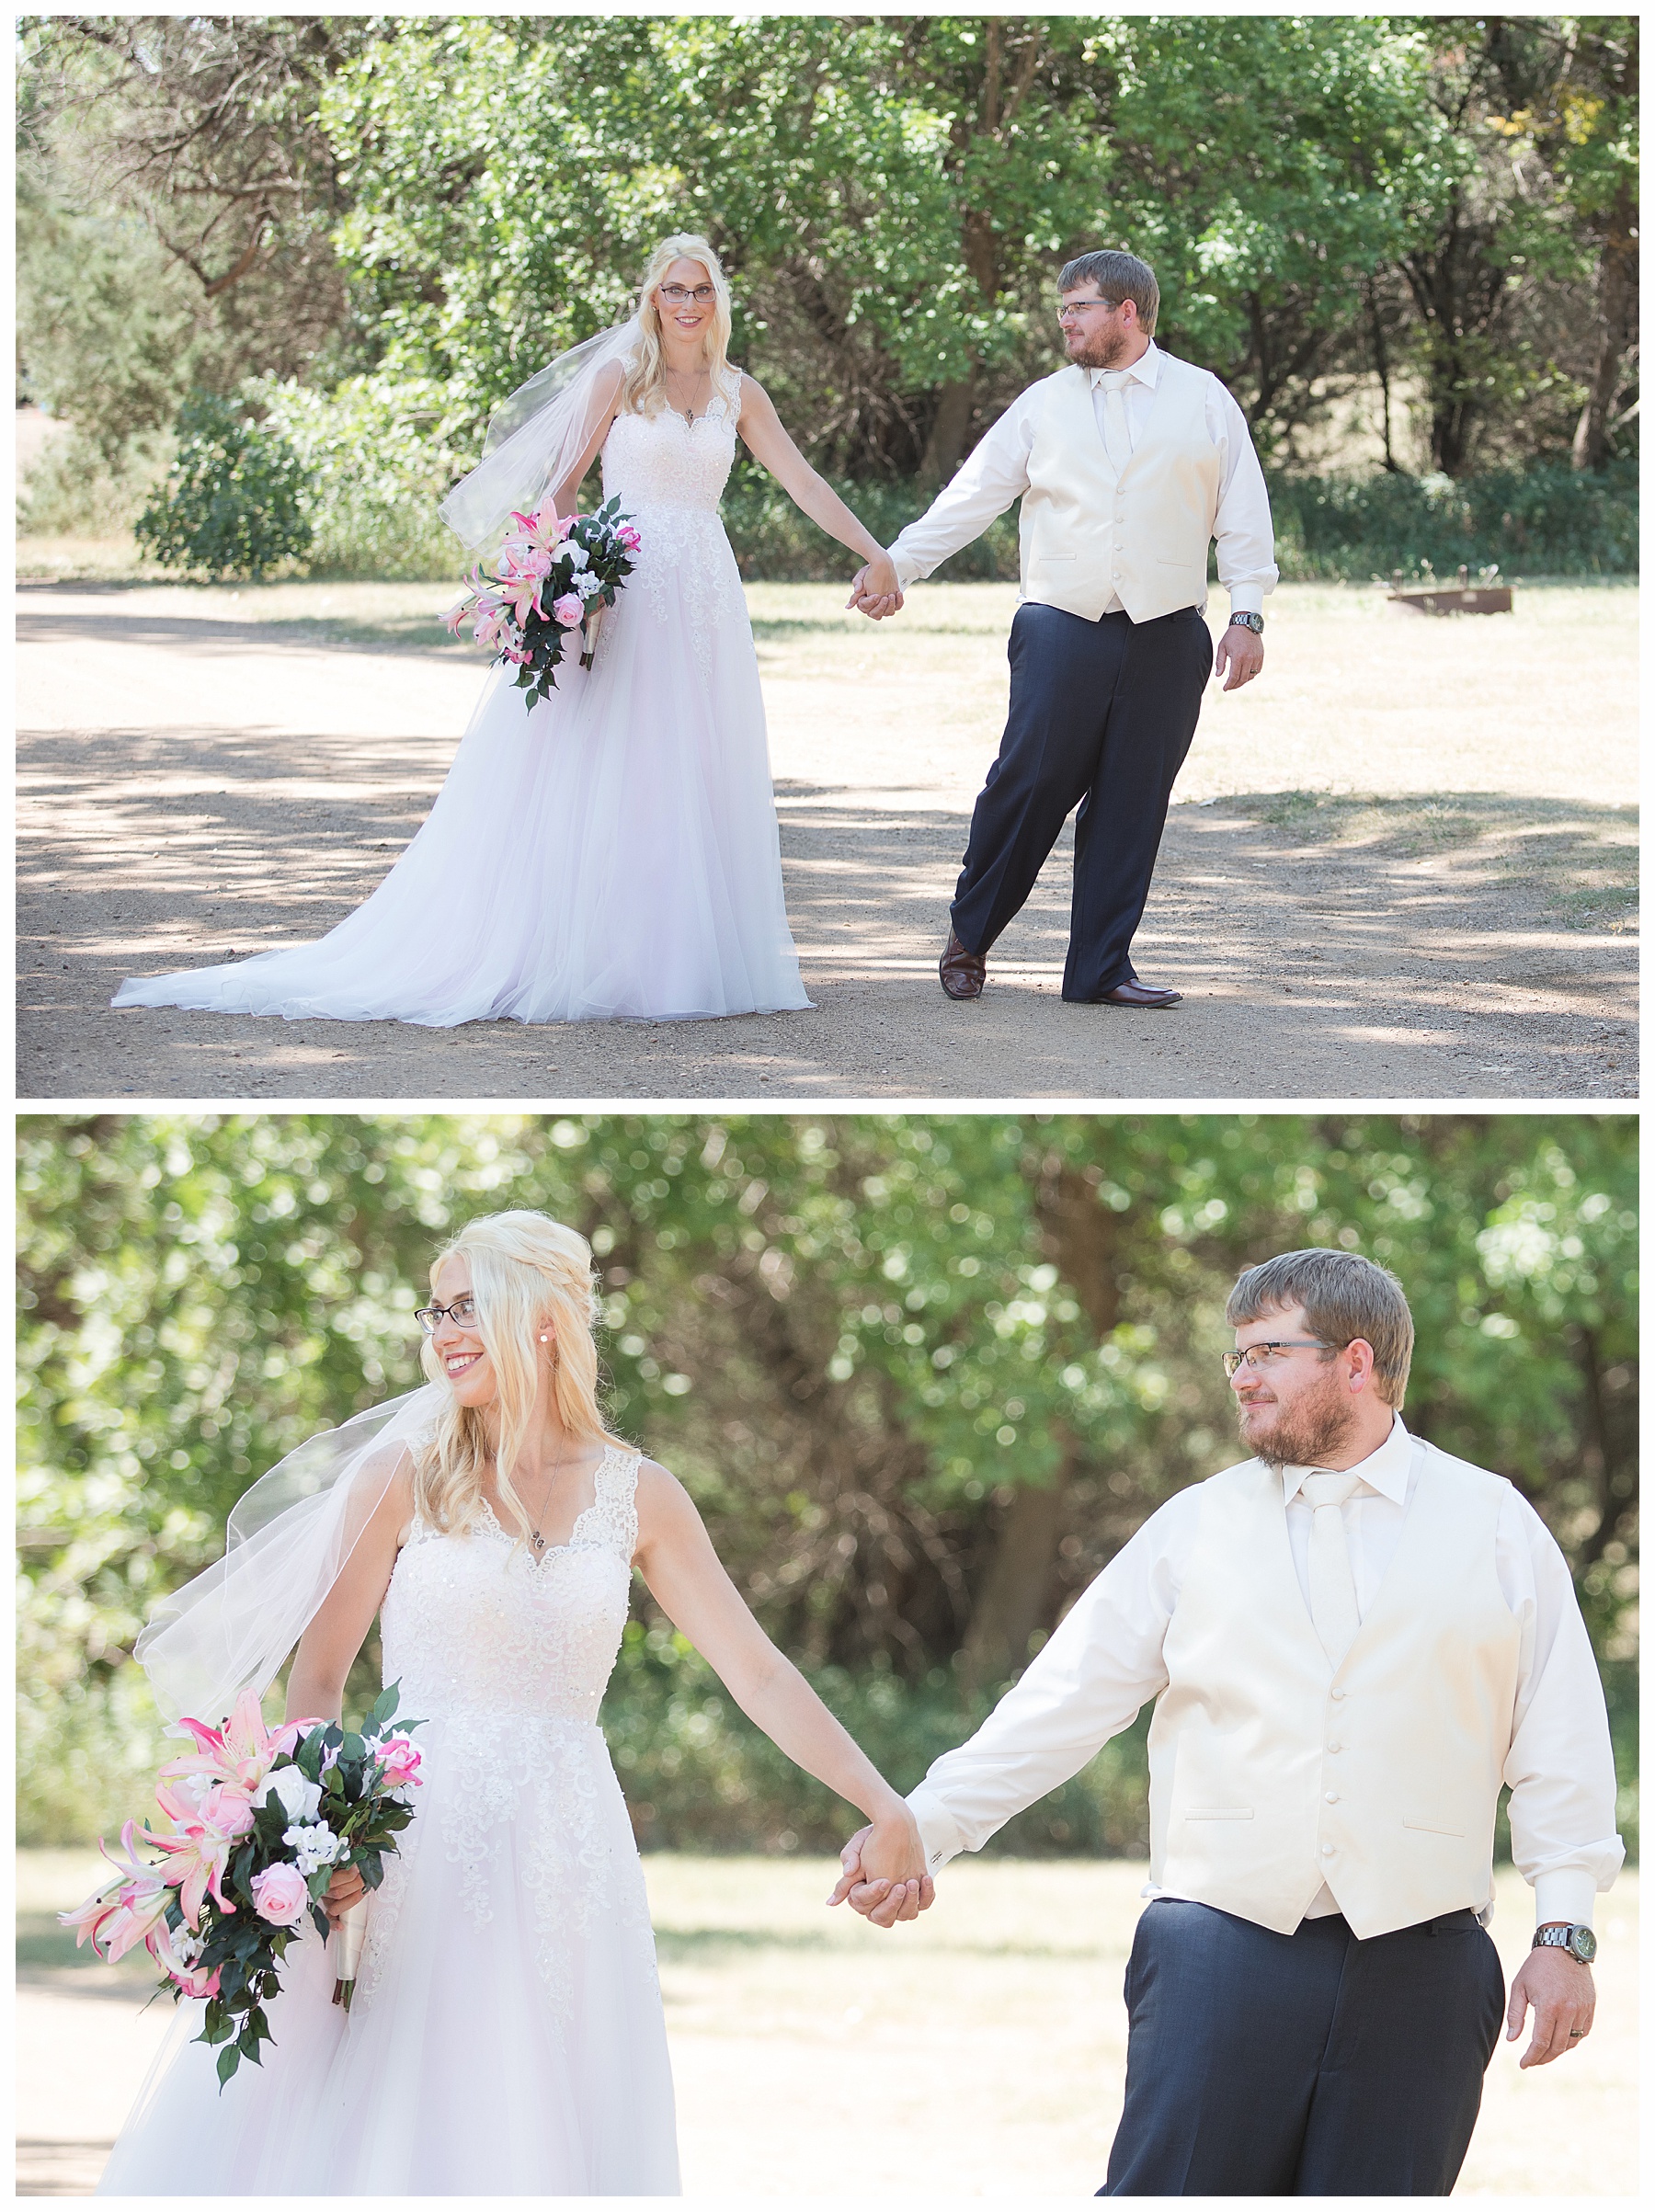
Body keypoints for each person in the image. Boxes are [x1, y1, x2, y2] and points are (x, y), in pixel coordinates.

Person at [97, 1209, 927, 2195]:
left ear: (541, 1319)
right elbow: (317, 1681)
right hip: (417, 1844)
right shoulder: (400, 1476)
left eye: (466, 1306)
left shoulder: (641, 1493)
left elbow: (760, 1673)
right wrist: (319, 1844)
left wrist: (889, 1806)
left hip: (572, 1847)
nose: (441, 1332)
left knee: (556, 2114)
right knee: (419, 2107)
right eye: (434, 1309)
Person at [833, 1248, 1623, 2195]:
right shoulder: (1193, 1525)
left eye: (1268, 1353)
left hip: (1424, 1966)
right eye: (1234, 1357)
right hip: (1219, 1949)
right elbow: (1060, 1702)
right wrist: (925, 1826)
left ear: (1357, 1363)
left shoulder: (1495, 1524)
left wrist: (1564, 1932)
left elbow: (1560, 1739)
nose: (1241, 1377)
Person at [112, 234, 905, 1028]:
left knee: (691, 760)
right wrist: (557, 579)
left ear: (717, 300)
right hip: (622, 581)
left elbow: (802, 479)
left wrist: (876, 553)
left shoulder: (740, 393)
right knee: (614, 760)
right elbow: (560, 483)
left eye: (700, 290)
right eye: (674, 290)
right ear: (652, 299)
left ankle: (679, 963)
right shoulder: (619, 380)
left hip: (705, 591)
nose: (688, 304)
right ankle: (584, 953)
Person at [848, 247, 1277, 1010]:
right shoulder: (1043, 403)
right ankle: (970, 937)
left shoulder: (1205, 398)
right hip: (1060, 624)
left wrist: (1247, 617)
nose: (1065, 321)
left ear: (1127, 312)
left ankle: (1100, 969)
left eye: (1078, 307)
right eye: (1062, 308)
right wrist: (895, 565)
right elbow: (971, 497)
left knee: (1134, 799)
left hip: (1168, 628)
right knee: (1029, 783)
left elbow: (1243, 518)